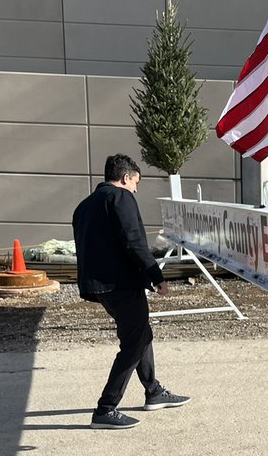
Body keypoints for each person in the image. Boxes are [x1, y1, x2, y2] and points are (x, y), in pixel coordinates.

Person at [72, 153, 190, 429]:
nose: (136, 189)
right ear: (126, 178)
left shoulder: (84, 206)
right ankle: (106, 408)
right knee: (133, 343)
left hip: (100, 287)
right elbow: (133, 241)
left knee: (140, 334)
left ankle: (153, 391)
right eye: (136, 182)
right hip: (121, 284)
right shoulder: (120, 198)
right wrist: (155, 275)